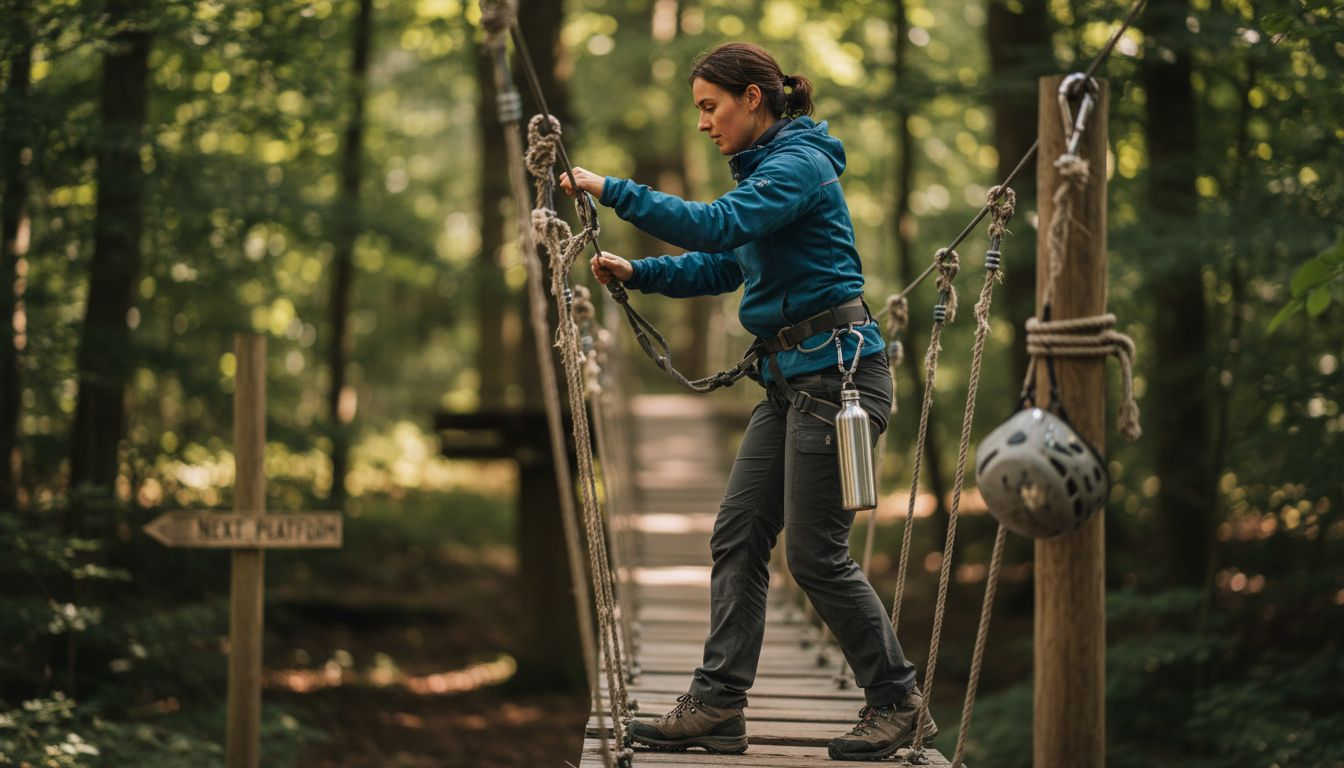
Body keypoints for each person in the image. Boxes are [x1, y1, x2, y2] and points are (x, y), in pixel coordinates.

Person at [558, 42, 935, 762]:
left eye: (710, 106)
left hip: (839, 378)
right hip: (793, 383)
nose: (704, 123)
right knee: (737, 534)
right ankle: (719, 704)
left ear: (753, 97)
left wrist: (613, 189)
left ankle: (898, 702)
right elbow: (726, 261)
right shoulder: (768, 173)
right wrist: (640, 272)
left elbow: (719, 226)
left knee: (818, 558)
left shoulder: (799, 164)